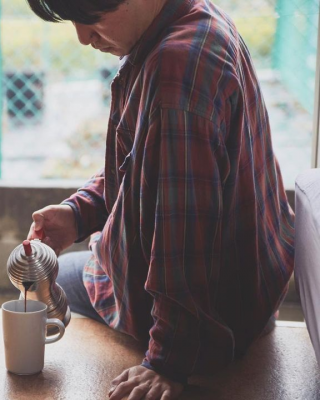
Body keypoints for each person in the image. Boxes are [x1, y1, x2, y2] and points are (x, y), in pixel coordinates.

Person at [25, 0, 295, 399]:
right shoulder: (195, 16)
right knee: (57, 273)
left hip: (214, 316)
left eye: (91, 17)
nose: (82, 37)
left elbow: (185, 240)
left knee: (39, 287)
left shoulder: (176, 70)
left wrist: (168, 363)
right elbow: (147, 164)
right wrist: (78, 213)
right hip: (250, 288)